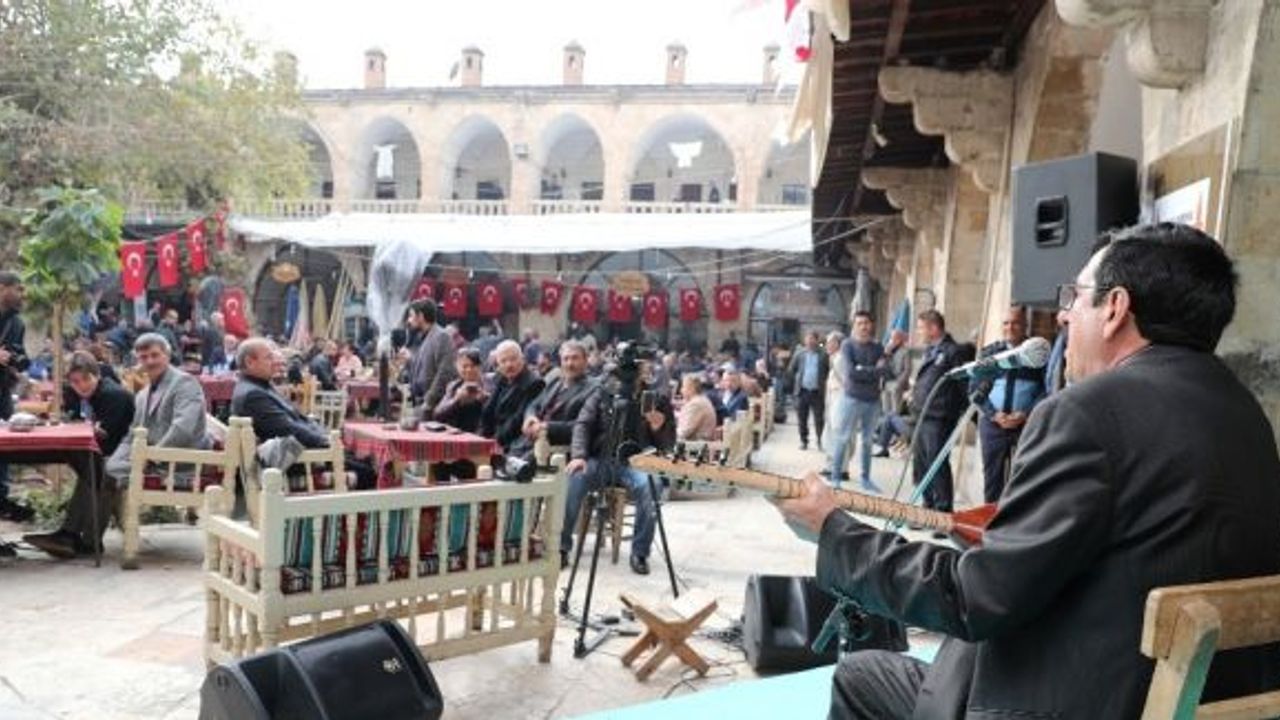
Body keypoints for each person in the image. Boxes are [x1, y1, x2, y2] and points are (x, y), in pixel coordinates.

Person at [779, 222, 1280, 719]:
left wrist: (835, 533)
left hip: (1066, 704)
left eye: (1075, 297)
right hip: (1179, 701)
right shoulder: (1248, 416)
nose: (1063, 315)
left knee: (860, 675)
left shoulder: (1084, 412)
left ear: (1115, 309)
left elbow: (975, 600)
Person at [23, 352, 136, 559]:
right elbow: (75, 420)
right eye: (75, 381)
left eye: (86, 379)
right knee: (93, 469)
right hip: (111, 454)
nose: (82, 385)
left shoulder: (113, 396)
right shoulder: (79, 394)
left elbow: (107, 441)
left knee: (98, 473)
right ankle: (78, 539)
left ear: (97, 375)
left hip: (129, 455)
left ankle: (76, 537)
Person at [562, 380, 675, 575]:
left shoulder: (657, 399)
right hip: (600, 459)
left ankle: (640, 553)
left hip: (636, 463)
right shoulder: (602, 393)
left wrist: (658, 427)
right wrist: (579, 456)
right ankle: (562, 547)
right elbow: (582, 425)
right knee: (575, 477)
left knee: (652, 485)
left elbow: (668, 443)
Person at [231, 338, 376, 489]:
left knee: (366, 460)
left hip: (302, 453)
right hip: (297, 463)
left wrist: (323, 435)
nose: (275, 362)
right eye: (269, 357)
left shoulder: (257, 386)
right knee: (370, 472)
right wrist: (325, 441)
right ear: (249, 362)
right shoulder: (253, 395)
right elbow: (288, 430)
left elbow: (296, 420)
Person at [103, 333, 209, 497]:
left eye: (155, 355)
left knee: (106, 476)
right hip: (153, 459)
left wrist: (150, 456)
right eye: (144, 357)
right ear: (138, 361)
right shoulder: (142, 395)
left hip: (180, 462)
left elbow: (182, 430)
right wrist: (118, 460)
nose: (150, 361)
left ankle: (110, 519)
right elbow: (132, 435)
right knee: (105, 468)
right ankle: (102, 519)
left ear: (167, 355)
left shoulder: (185, 383)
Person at [972, 306, 1046, 502]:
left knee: (1025, 477)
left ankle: (1016, 525)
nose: (1010, 327)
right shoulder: (990, 354)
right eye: (1006, 323)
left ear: (1025, 325)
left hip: (1026, 425)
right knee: (992, 478)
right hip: (993, 425)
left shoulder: (1037, 354)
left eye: (1015, 323)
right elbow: (974, 391)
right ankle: (989, 524)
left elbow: (1045, 390)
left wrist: (1026, 413)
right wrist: (994, 415)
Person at [907, 309, 967, 512]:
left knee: (937, 464)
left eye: (921, 327)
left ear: (933, 328)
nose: (918, 332)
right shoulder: (930, 350)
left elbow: (963, 386)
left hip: (939, 418)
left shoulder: (952, 352)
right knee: (922, 464)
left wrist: (963, 412)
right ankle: (928, 506)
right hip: (921, 415)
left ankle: (942, 513)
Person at [511, 339, 598, 460]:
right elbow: (534, 404)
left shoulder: (594, 388)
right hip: (529, 441)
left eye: (575, 358)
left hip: (556, 449)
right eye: (566, 359)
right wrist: (530, 417)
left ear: (585, 360)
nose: (569, 363)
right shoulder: (556, 382)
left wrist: (547, 427)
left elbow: (584, 426)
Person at [828, 312, 886, 491]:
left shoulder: (878, 347)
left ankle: (866, 479)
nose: (863, 326)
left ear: (872, 325)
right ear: (854, 326)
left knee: (868, 441)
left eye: (866, 323)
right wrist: (872, 371)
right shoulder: (847, 345)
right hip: (851, 398)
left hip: (872, 400)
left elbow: (883, 371)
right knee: (843, 438)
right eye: (859, 323)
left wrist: (864, 370)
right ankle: (835, 478)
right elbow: (851, 373)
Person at [0, 271, 33, 530]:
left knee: (4, 453)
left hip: (2, 394)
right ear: (3, 289)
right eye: (18, 289)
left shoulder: (17, 323)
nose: (23, 295)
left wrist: (16, 361)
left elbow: (18, 358)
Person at [480, 340, 545, 454]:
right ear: (498, 364)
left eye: (513, 359)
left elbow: (518, 419)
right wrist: (483, 438)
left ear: (522, 359)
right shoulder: (501, 378)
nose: (509, 364)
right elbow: (488, 412)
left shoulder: (534, 383)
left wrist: (495, 441)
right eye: (503, 361)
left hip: (514, 442)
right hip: (494, 438)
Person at [404, 299, 457, 416]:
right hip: (419, 402)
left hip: (432, 405)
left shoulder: (441, 336)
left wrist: (429, 402)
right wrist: (410, 361)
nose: (409, 321)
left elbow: (445, 372)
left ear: (421, 316)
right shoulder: (422, 337)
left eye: (411, 316)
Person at [432, 348, 491, 434]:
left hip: (483, 434)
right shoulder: (454, 386)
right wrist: (456, 400)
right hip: (458, 434)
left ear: (480, 366)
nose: (469, 370)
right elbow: (437, 415)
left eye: (473, 366)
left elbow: (499, 411)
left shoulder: (490, 383)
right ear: (457, 367)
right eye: (465, 366)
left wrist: (484, 399)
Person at [787, 331, 829, 451]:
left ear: (817, 340)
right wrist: (795, 383)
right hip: (802, 391)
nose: (810, 341)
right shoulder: (800, 354)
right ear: (805, 340)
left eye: (812, 339)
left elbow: (828, 370)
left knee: (819, 419)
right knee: (802, 418)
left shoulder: (823, 355)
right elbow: (791, 369)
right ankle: (804, 441)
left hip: (817, 392)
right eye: (808, 339)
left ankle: (820, 441)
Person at [874, 329, 912, 457]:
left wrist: (899, 384)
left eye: (895, 338)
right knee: (886, 414)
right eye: (891, 338)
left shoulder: (905, 352)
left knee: (895, 414)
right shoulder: (887, 351)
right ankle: (886, 442)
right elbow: (879, 366)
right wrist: (885, 354)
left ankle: (899, 441)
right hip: (886, 385)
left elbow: (907, 370)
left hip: (897, 386)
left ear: (901, 340)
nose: (892, 341)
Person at [675, 374, 717, 441]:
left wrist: (670, 432)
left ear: (692, 388)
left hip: (696, 446)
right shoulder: (700, 400)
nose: (681, 390)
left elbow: (685, 432)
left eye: (683, 387)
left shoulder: (696, 404)